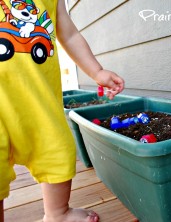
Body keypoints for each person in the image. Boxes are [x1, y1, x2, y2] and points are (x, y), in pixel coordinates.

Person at [0, 0, 124, 221]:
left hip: (38, 100)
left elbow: (69, 35)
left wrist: (96, 72)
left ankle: (57, 213)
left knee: (56, 150)